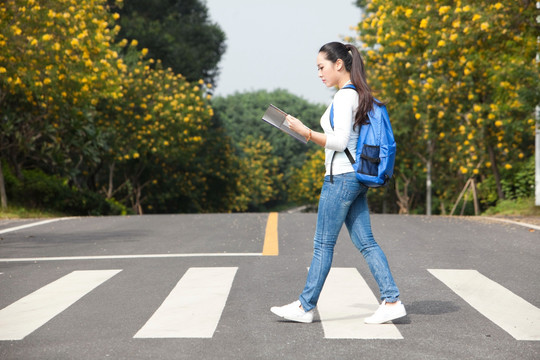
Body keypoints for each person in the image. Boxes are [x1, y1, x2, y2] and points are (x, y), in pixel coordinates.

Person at [270, 42, 406, 325]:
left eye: (322, 67)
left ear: (339, 65)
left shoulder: (345, 98)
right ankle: (391, 300)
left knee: (322, 245)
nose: (319, 73)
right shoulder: (356, 94)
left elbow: (340, 141)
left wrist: (305, 132)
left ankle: (305, 306)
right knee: (366, 242)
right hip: (353, 177)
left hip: (341, 178)